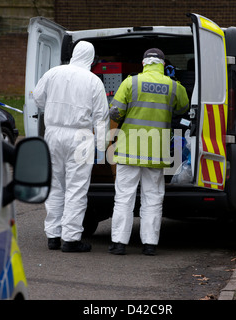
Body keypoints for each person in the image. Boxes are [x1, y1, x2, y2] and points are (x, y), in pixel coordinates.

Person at [108, 48, 189, 255]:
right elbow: (184, 108)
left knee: (124, 197)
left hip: (129, 150)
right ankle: (150, 244)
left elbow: (115, 112)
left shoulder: (130, 82)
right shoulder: (173, 87)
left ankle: (119, 243)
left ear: (144, 63)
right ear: (162, 64)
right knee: (152, 197)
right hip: (156, 151)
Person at [34, 41, 109, 252]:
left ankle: (53, 235)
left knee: (56, 185)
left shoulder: (53, 73)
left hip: (53, 134)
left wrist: (53, 108)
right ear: (91, 59)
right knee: (76, 188)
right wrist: (102, 147)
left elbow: (38, 98)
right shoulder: (94, 81)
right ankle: (71, 239)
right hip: (80, 136)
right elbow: (101, 116)